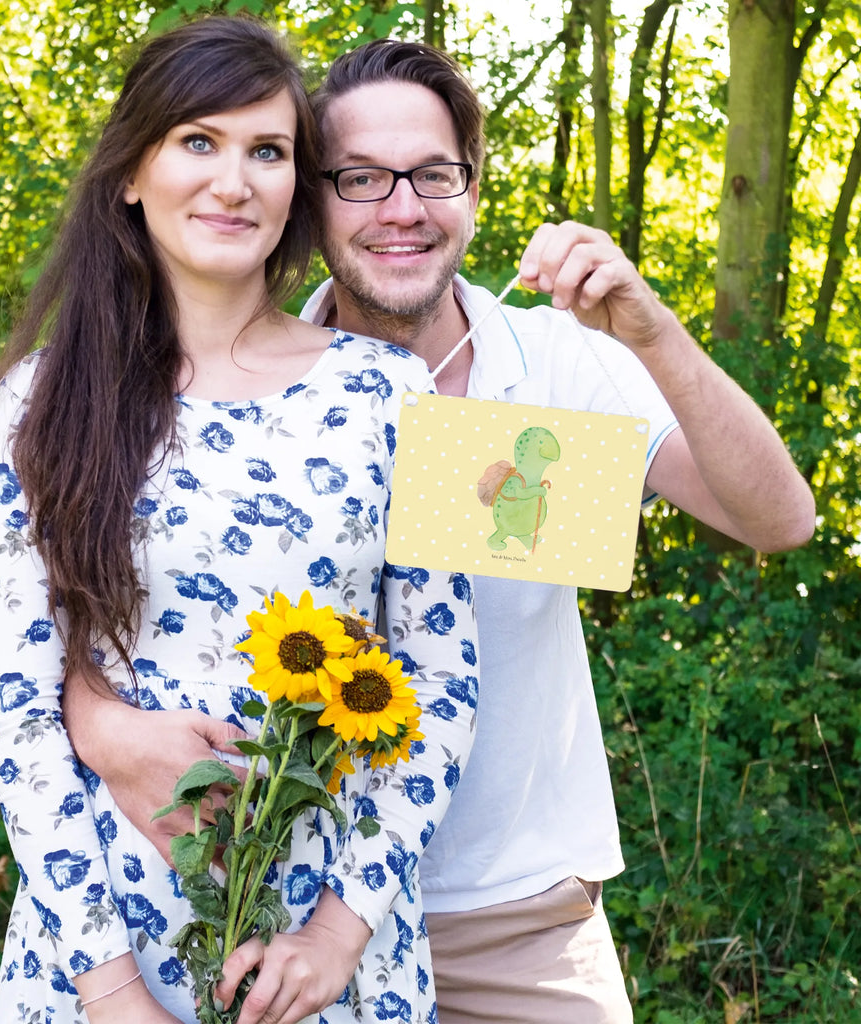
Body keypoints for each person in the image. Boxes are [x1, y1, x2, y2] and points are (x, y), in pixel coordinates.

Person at [63, 36, 816, 1024]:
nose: (402, 208)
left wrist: (645, 326)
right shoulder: (244, 382)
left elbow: (778, 519)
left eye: (432, 174)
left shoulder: (553, 359)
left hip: (515, 919)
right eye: (362, 178)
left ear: (473, 185)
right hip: (294, 907)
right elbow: (115, 619)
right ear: (310, 196)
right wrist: (96, 716)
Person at [0, 19, 477, 1024]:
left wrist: (336, 935)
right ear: (130, 172)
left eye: (269, 151)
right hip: (103, 936)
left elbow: (444, 679)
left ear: (297, 186)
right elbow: (16, 708)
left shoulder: (396, 392)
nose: (234, 181)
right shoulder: (42, 399)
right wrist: (112, 994)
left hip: (323, 946)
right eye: (198, 142)